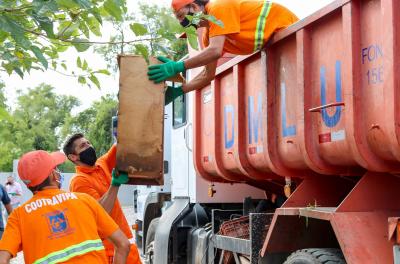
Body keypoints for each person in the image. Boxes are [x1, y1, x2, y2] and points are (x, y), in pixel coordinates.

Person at [147, 0, 299, 103]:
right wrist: (179, 91)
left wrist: (177, 66)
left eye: (181, 16)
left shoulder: (220, 7)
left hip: (290, 31)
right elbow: (208, 75)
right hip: (276, 44)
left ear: (193, 7)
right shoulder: (210, 35)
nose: (181, 23)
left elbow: (215, 51)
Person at [0, 150, 130, 264]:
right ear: (52, 175)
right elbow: (123, 244)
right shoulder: (84, 200)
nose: (58, 171)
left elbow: (2, 259)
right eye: (56, 168)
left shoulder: (18, 216)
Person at [63, 133, 141, 264]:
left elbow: (122, 145)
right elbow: (101, 212)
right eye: (83, 146)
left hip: (126, 244)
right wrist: (115, 185)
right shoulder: (79, 181)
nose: (89, 146)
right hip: (111, 252)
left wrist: (124, 130)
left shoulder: (101, 164)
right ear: (73, 156)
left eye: (88, 143)